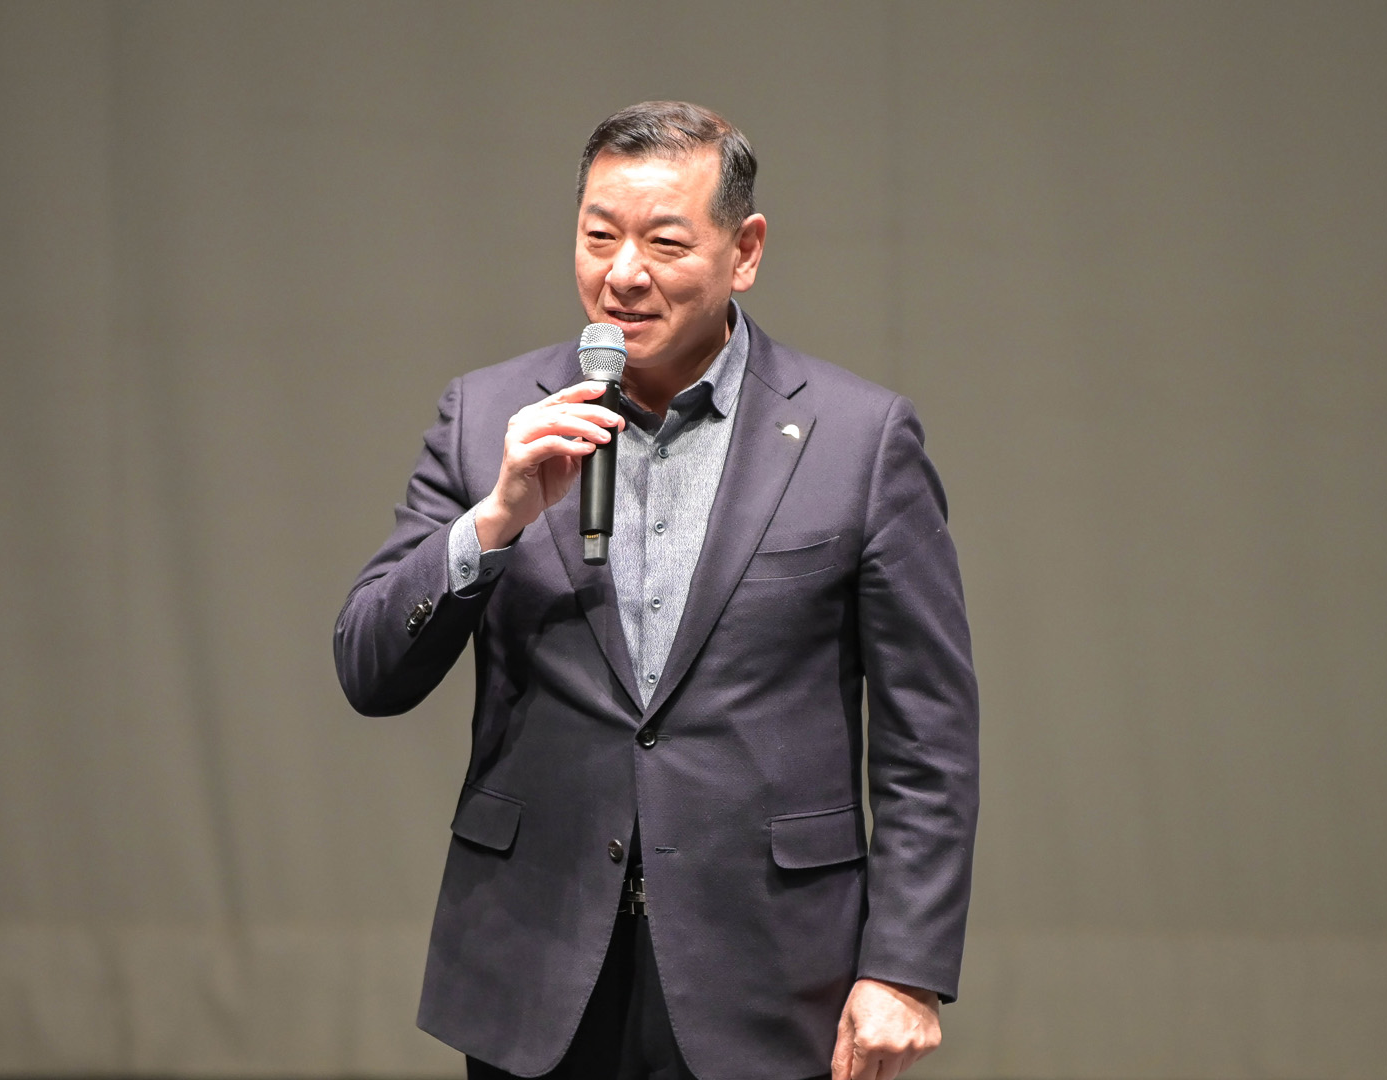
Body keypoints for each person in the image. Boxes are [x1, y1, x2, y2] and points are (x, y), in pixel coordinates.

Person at [334, 101, 978, 1080]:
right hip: (534, 965)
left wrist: (906, 967)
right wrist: (493, 521)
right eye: (599, 237)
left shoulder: (859, 439)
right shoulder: (486, 417)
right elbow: (370, 668)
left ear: (744, 250)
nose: (622, 273)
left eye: (664, 242)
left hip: (770, 976)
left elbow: (927, 734)